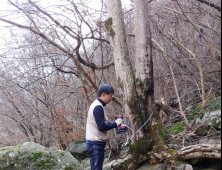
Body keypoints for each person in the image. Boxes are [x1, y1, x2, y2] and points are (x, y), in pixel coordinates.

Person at [86, 84, 123, 170]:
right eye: (110, 96)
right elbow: (101, 127)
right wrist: (115, 124)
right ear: (103, 94)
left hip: (95, 143)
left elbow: (103, 123)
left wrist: (116, 124)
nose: (111, 98)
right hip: (95, 143)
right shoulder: (98, 107)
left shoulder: (98, 105)